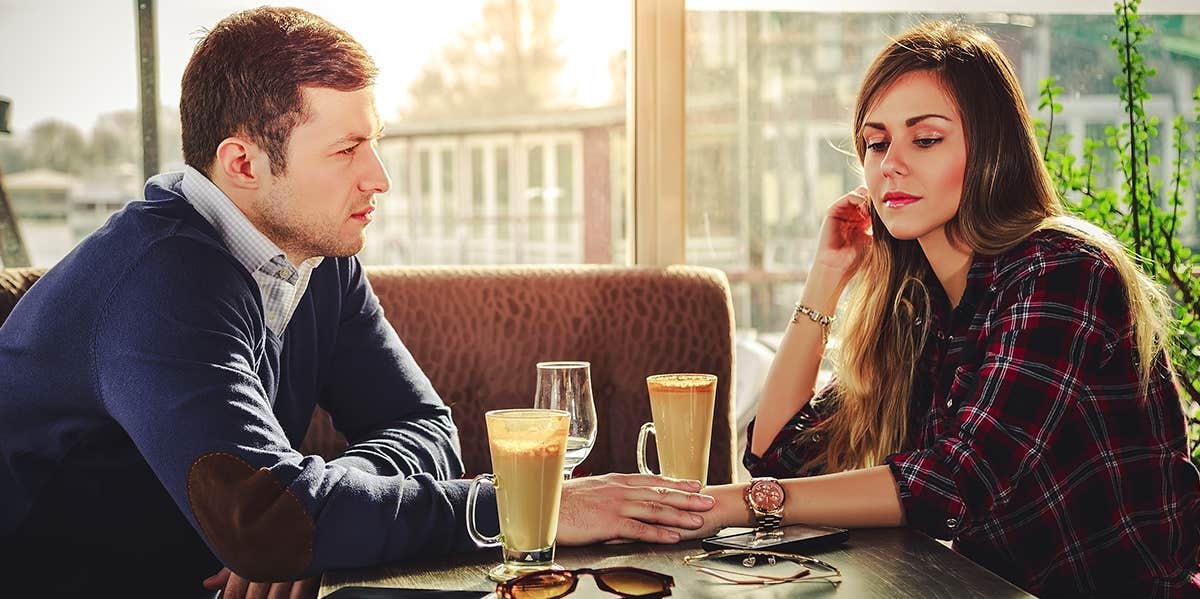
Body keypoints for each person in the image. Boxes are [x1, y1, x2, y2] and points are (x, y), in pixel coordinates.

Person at [0, 7, 713, 598]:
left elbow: (426, 427)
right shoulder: (161, 280)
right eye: (346, 151)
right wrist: (527, 508)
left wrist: (311, 511)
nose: (380, 178)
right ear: (242, 163)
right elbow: (271, 524)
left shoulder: (315, 256)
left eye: (375, 143)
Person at [683, 20, 1200, 598]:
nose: (890, 165)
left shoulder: (1063, 272)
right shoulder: (921, 307)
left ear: (990, 151)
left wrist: (731, 506)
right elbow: (779, 457)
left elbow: (955, 481)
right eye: (876, 143)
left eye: (924, 140)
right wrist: (826, 276)